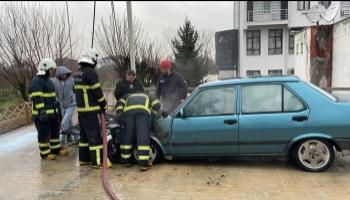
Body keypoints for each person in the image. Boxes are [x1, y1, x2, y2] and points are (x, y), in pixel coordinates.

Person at [73, 48, 112, 169]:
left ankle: (84, 159)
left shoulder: (77, 73)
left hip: (81, 111)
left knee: (84, 136)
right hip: (91, 111)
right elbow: (97, 92)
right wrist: (104, 105)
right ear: (93, 60)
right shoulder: (91, 73)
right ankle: (98, 161)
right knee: (94, 136)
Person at [29, 58, 68, 160]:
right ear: (45, 68)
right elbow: (37, 98)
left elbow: (53, 98)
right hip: (42, 115)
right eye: (52, 70)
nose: (53, 72)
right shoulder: (36, 81)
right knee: (44, 134)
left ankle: (56, 150)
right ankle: (45, 153)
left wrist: (58, 110)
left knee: (55, 132)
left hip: (52, 114)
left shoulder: (49, 81)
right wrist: (42, 112)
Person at [115, 92, 160, 171]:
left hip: (128, 115)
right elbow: (157, 104)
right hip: (142, 114)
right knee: (143, 137)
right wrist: (153, 114)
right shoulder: (147, 96)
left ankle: (126, 162)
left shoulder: (127, 96)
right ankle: (143, 164)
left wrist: (120, 113)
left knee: (127, 136)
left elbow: (119, 103)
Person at [52, 66, 77, 145]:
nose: (64, 76)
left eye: (65, 74)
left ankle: (61, 140)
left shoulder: (72, 80)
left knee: (64, 122)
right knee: (69, 122)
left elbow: (77, 90)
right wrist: (56, 100)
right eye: (62, 75)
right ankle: (73, 137)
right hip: (62, 105)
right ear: (58, 75)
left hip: (71, 104)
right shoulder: (55, 82)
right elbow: (54, 92)